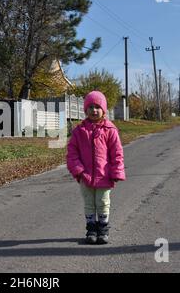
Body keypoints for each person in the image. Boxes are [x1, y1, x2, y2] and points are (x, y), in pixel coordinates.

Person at [66, 91, 125, 244]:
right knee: (89, 203)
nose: (94, 110)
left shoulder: (110, 130)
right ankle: (91, 229)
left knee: (103, 202)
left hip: (104, 175)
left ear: (103, 110)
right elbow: (72, 153)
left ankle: (103, 229)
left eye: (97, 107)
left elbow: (117, 153)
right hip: (85, 176)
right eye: (90, 107)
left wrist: (116, 172)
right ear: (85, 110)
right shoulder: (79, 131)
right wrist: (79, 171)